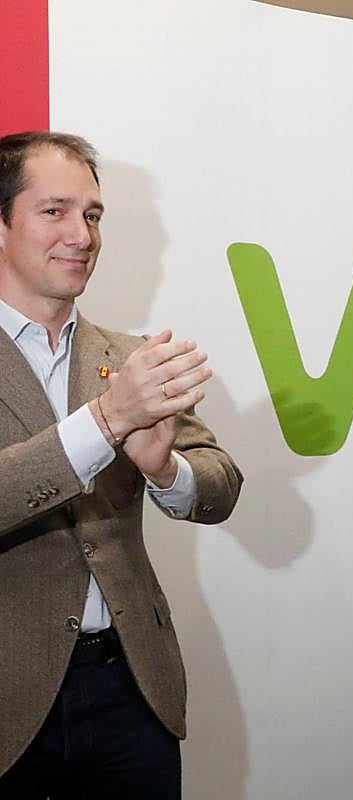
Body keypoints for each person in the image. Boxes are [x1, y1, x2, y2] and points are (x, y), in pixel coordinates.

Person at [0, 131, 243, 797]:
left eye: (93, 214)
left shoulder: (130, 356)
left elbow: (220, 484)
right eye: (54, 211)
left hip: (130, 691)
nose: (81, 235)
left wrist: (167, 473)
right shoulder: (127, 388)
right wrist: (106, 421)